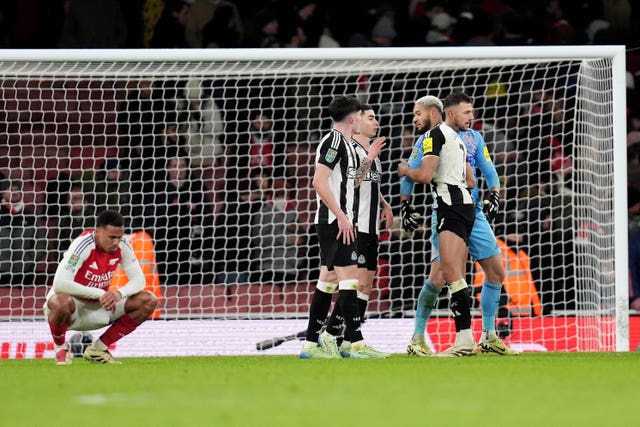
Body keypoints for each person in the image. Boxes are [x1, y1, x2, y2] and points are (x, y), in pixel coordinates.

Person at [412, 92, 519, 355]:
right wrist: (405, 202)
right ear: (451, 113)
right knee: (440, 276)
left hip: (474, 211)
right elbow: (417, 168)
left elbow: (488, 169)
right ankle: (418, 337)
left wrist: (495, 193)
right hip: (445, 210)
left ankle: (489, 335)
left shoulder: (473, 139)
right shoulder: (432, 137)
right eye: (467, 112)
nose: (472, 117)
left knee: (496, 271)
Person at [300, 96, 385, 359]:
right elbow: (318, 181)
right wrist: (341, 216)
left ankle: (311, 344)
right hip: (335, 221)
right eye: (361, 116)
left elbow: (353, 183)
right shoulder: (334, 141)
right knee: (350, 281)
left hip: (340, 220)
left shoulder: (346, 145)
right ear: (352, 119)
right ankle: (355, 344)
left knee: (328, 283)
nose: (363, 119)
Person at [397, 94, 476, 357]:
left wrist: (405, 169)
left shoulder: (434, 136)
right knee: (447, 274)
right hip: (465, 205)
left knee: (452, 274)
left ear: (434, 112)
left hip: (448, 206)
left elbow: (424, 175)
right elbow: (472, 181)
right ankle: (447, 339)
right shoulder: (458, 139)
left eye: (418, 113)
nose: (414, 118)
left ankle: (464, 339)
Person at [321, 104, 394, 357]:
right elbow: (353, 183)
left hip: (371, 226)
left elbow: (370, 185)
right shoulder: (351, 149)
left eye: (376, 118)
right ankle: (334, 336)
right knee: (354, 282)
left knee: (366, 287)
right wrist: (370, 157)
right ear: (357, 122)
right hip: (356, 225)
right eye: (370, 118)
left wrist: (384, 204)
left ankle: (344, 341)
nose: (376, 122)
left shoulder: (370, 153)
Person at [44, 210, 158, 364]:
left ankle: (98, 349)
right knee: (61, 301)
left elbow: (139, 280)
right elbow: (60, 283)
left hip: (101, 306)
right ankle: (61, 349)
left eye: (119, 237)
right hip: (73, 307)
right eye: (111, 237)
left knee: (148, 300)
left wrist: (119, 293)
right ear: (98, 232)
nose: (116, 242)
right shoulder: (83, 244)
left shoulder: (123, 246)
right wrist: (99, 293)